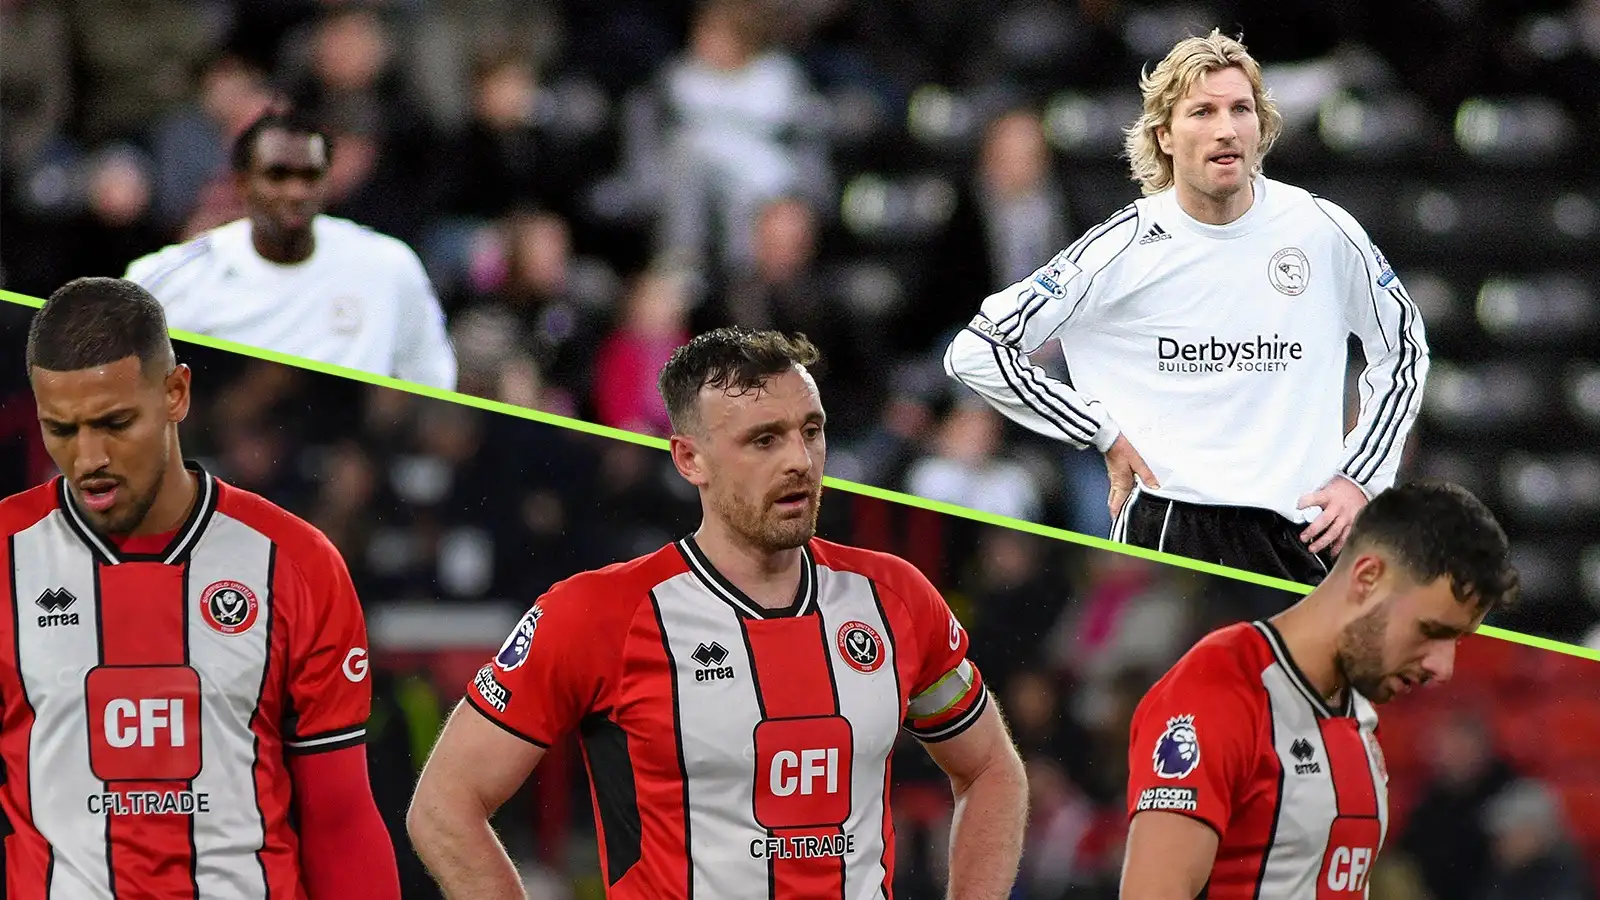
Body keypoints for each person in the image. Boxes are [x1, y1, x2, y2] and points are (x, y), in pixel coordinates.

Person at [407, 327, 1029, 898]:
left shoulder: (896, 599)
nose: (799, 462)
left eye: (810, 431)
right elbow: (444, 806)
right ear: (689, 460)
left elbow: (991, 771)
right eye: (764, 439)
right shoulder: (598, 613)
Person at [942, 29, 1430, 587]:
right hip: (1166, 533)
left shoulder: (1321, 229)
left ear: (1261, 127)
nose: (1225, 129)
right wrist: (1099, 431)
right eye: (1202, 112)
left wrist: (1362, 478)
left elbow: (1404, 347)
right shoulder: (1124, 245)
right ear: (1165, 136)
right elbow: (977, 350)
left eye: (1240, 109)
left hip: (1298, 539)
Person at [0, 277, 401, 898]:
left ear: (176, 393)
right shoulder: (6, 558)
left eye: (115, 423)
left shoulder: (295, 564)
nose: (88, 458)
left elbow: (340, 819)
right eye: (62, 429)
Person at [1120, 479, 1518, 898]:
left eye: (1456, 641)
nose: (1443, 667)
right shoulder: (1219, 689)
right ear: (1367, 578)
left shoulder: (1358, 712)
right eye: (1431, 630)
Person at [124, 110, 458, 391]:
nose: (296, 192)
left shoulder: (388, 266)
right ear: (242, 184)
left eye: (310, 176)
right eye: (278, 175)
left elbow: (431, 380)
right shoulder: (169, 278)